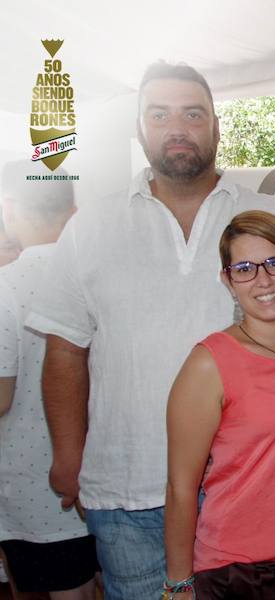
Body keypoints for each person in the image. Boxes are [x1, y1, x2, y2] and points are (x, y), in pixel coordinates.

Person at [25, 62, 275, 599]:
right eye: (160, 114)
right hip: (128, 492)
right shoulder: (92, 227)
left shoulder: (268, 216)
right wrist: (69, 455)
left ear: (217, 127)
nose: (178, 127)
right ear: (139, 131)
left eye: (193, 113)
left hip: (245, 489)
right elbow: (64, 349)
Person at [163, 210, 275, 599]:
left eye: (274, 263)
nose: (263, 280)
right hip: (241, 571)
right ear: (228, 281)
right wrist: (179, 584)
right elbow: (181, 488)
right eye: (244, 268)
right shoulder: (208, 363)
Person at [0, 160, 99, 600]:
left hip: (31, 489)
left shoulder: (5, 287)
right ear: (74, 211)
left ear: (9, 210)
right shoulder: (98, 279)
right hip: (105, 478)